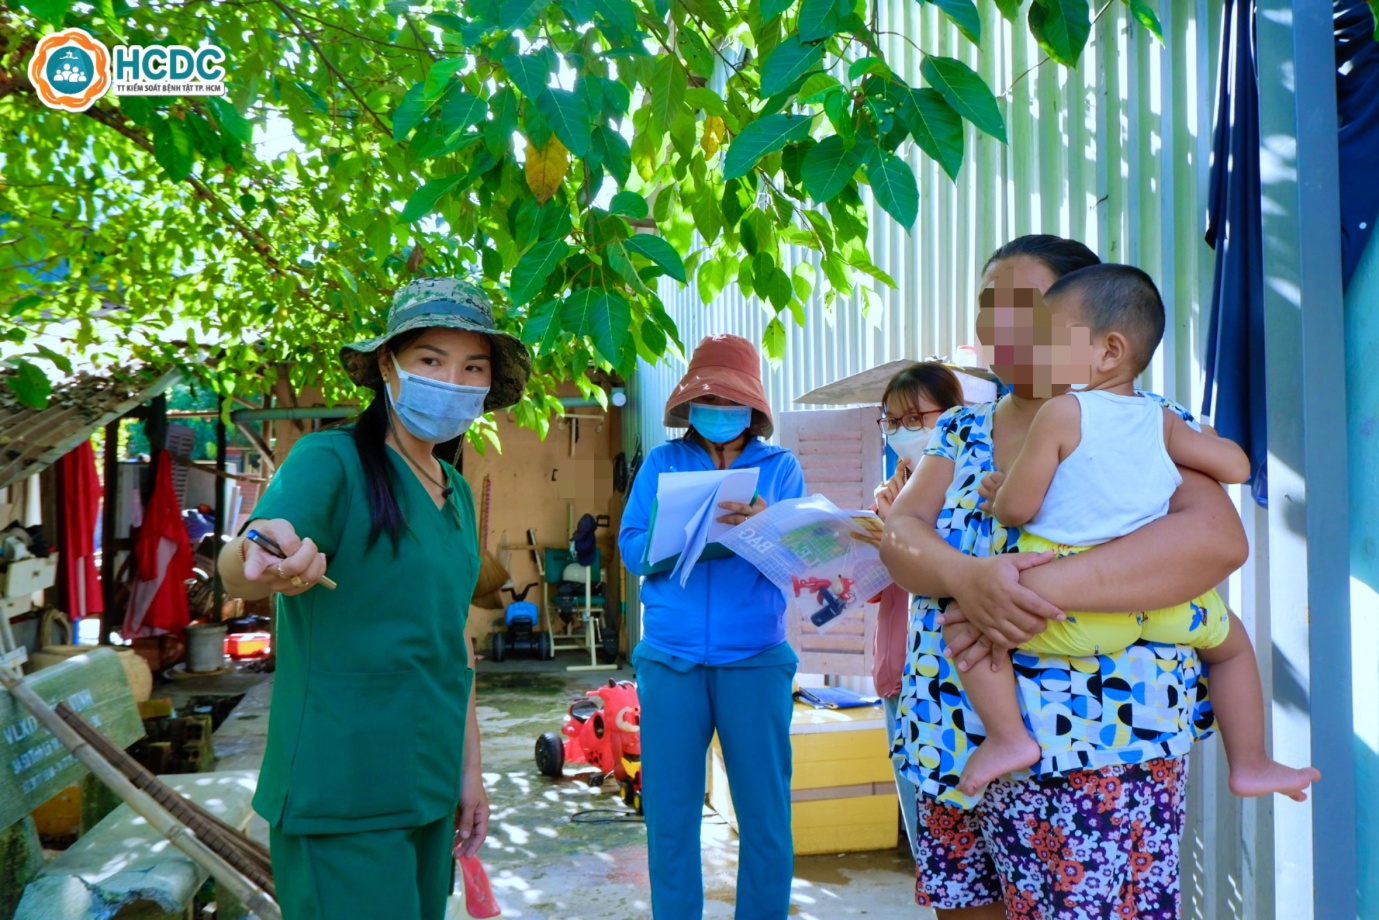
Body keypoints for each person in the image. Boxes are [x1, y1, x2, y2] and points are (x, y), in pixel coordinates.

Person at [879, 235, 1249, 919]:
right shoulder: (959, 431)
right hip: (955, 739)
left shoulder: (1142, 422)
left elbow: (1214, 540)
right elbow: (902, 536)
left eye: (1025, 305)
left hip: (1097, 747)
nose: (1000, 323)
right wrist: (967, 577)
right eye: (988, 304)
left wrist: (1024, 592)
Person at [217, 279, 531, 920]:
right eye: (431, 360)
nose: (453, 380)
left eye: (473, 367)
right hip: (343, 788)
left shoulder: (453, 491)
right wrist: (258, 551)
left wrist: (468, 772)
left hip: (429, 784)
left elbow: (455, 643)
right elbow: (248, 560)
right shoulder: (329, 461)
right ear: (388, 366)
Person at [950, 263, 1320, 800]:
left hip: (1068, 606)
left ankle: (1008, 738)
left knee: (967, 624)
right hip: (1166, 603)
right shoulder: (1160, 419)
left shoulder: (1061, 413)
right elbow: (1238, 468)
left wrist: (998, 493)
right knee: (1232, 648)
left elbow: (1018, 510)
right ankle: (1251, 762)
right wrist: (1209, 441)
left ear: (1109, 350)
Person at [618, 334, 807, 920]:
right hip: (670, 659)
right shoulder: (661, 462)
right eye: (710, 400)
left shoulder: (781, 467)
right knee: (669, 816)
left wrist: (764, 528)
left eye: (732, 401)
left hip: (756, 659)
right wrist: (678, 536)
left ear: (753, 406)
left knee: (766, 816)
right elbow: (631, 549)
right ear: (689, 403)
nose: (720, 411)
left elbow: (800, 562)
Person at [869, 362, 966, 860]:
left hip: (958, 673)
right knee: (926, 841)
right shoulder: (891, 489)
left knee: (959, 834)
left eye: (914, 419)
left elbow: (961, 573)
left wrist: (900, 531)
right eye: (891, 421)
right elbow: (877, 587)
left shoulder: (973, 483)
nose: (901, 432)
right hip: (900, 671)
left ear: (953, 415)